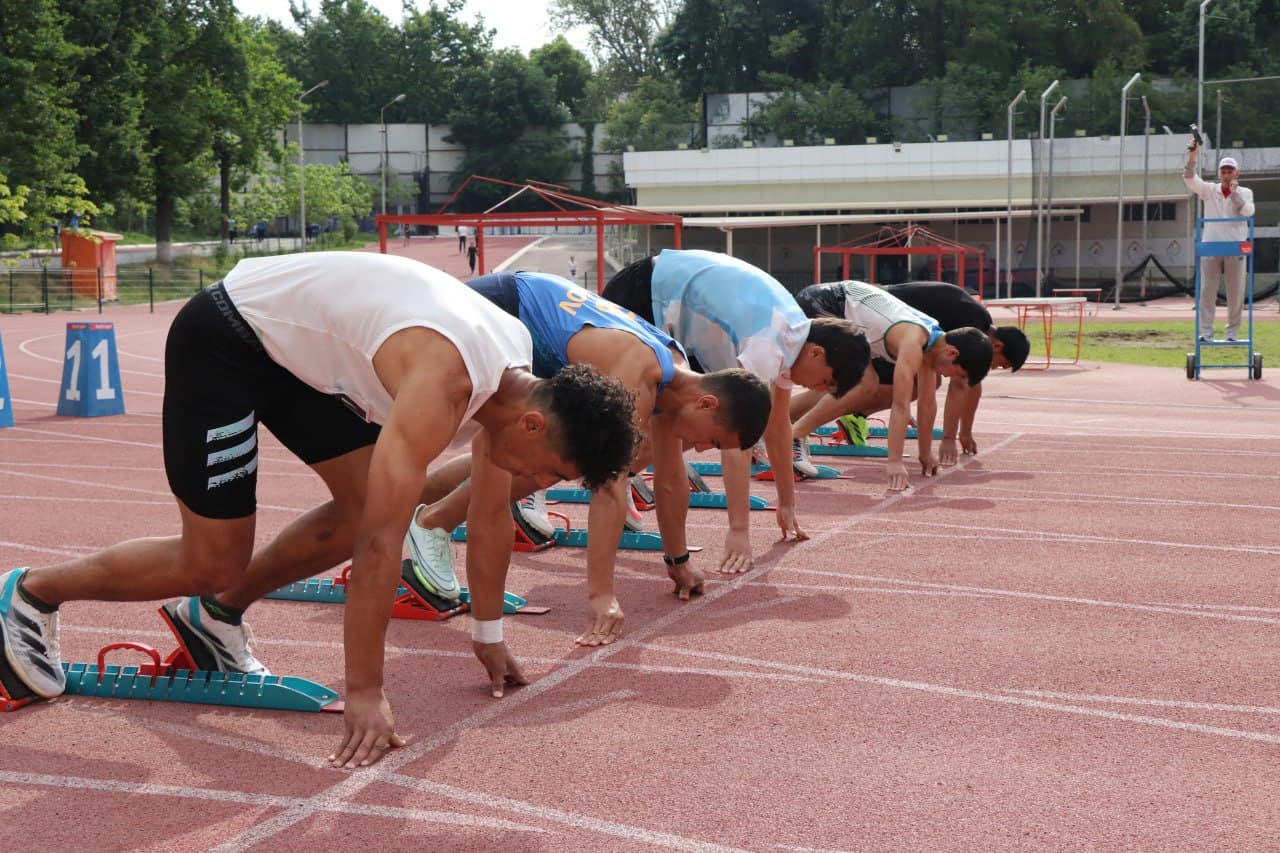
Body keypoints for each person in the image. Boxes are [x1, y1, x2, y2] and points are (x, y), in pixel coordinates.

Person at [0, 251, 638, 770]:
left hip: (291, 355)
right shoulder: (443, 388)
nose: (539, 483)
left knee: (362, 507)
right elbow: (383, 549)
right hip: (228, 335)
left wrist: (488, 636)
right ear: (533, 426)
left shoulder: (516, 375)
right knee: (213, 558)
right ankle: (28, 593)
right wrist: (365, 690)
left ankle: (215, 618)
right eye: (553, 471)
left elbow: (492, 520)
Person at [401, 270, 772, 645]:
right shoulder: (636, 377)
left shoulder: (670, 376)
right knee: (555, 457)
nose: (703, 449)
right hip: (499, 309)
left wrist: (678, 561)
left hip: (526, 323)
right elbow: (608, 490)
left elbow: (672, 479)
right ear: (706, 403)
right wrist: (601, 596)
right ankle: (430, 522)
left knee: (553, 456)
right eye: (712, 439)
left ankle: (415, 513)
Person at [602, 249, 870, 582]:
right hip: (646, 292)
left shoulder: (793, 338)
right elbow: (736, 442)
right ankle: (573, 484)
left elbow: (778, 425)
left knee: (676, 427)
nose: (817, 388)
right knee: (646, 419)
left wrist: (787, 503)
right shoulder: (766, 345)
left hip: (676, 310)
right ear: (817, 353)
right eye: (826, 380)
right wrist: (739, 530)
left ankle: (620, 477)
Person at [794, 281, 1027, 465]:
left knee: (870, 382)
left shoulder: (932, 346)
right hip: (827, 302)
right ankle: (793, 435)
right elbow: (901, 406)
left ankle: (783, 428)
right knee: (860, 383)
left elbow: (927, 404)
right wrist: (894, 462)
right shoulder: (915, 343)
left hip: (861, 317)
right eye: (957, 374)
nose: (949, 378)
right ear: (952, 354)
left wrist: (925, 454)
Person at [1184, 139, 1256, 342]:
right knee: (1207, 292)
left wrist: (1234, 195)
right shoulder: (1209, 190)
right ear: (1218, 174)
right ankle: (1206, 332)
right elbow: (1190, 180)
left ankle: (1232, 333)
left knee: (1235, 294)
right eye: (1223, 172)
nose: (1226, 175)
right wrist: (1192, 157)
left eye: (1230, 171)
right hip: (1211, 247)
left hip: (1235, 248)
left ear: (1237, 174)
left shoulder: (1245, 192)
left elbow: (1248, 212)